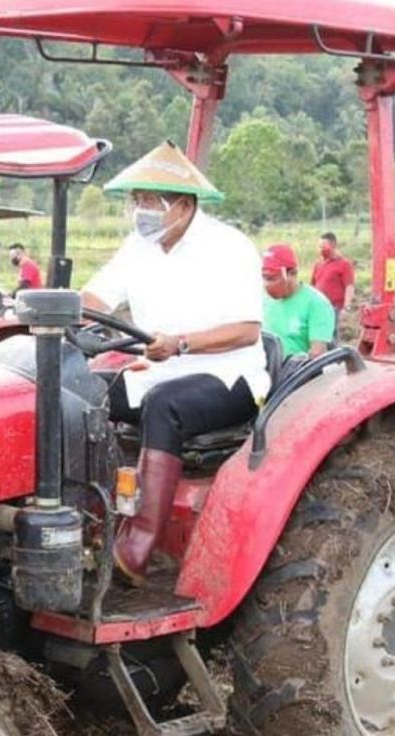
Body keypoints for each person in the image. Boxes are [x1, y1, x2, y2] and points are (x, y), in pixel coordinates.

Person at [81, 141, 267, 585]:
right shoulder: (138, 246)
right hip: (160, 367)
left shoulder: (229, 247)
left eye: (149, 201)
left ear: (182, 205)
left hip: (229, 374)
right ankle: (83, 517)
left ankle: (139, 544)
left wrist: (181, 344)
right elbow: (96, 297)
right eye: (136, 200)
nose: (140, 210)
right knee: (81, 392)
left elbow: (246, 329)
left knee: (164, 404)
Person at [262, 243, 335, 359]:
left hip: (294, 373)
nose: (267, 284)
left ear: (292, 273)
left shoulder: (316, 304)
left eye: (272, 278)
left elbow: (318, 353)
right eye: (264, 278)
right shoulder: (264, 301)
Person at [310, 232, 355, 340]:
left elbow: (349, 286)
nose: (321, 249)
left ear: (333, 245)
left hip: (333, 307)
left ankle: (334, 355)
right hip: (318, 307)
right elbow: (312, 286)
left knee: (331, 335)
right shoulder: (318, 264)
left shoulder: (344, 264)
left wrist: (346, 306)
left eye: (324, 246)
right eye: (320, 247)